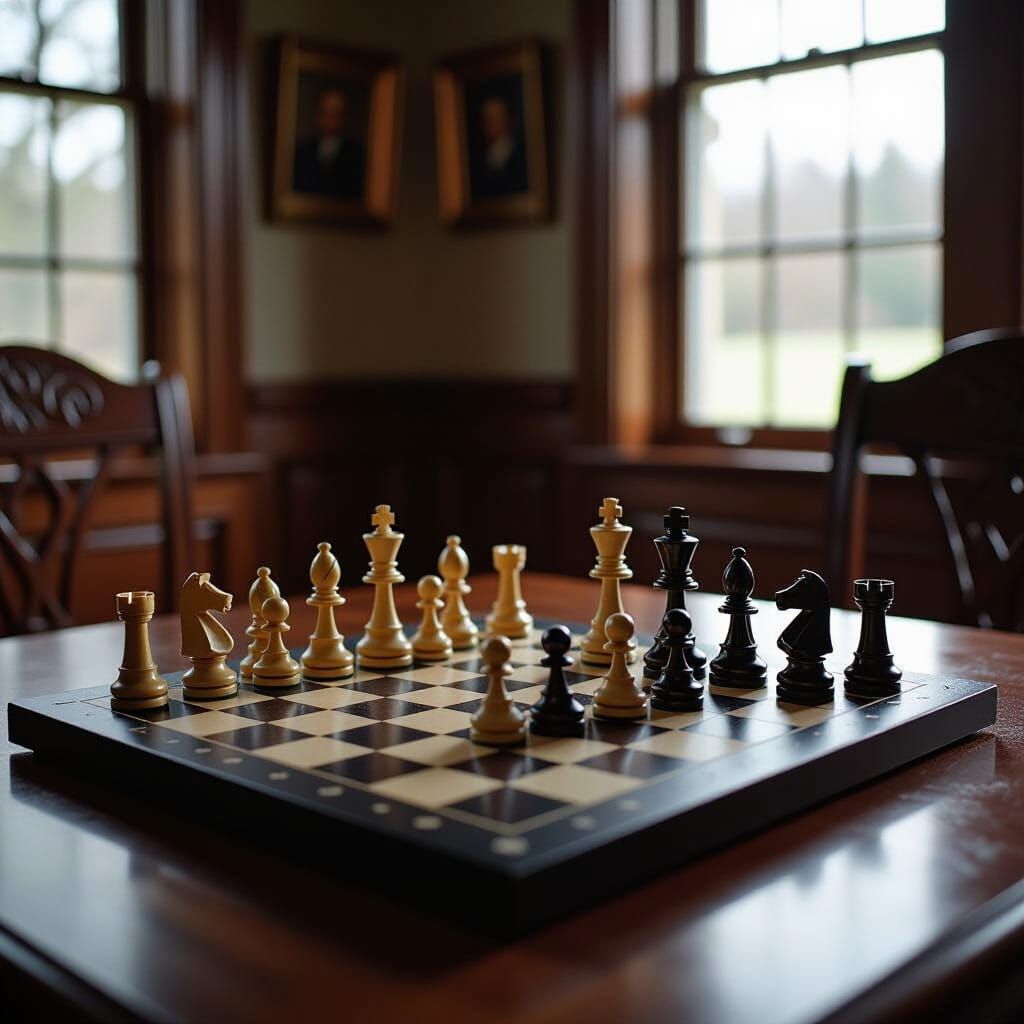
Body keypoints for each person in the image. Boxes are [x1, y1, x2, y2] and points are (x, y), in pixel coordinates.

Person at [292, 87, 365, 199]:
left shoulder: (357, 154)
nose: (330, 119)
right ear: (318, 115)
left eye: (335, 113)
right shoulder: (301, 150)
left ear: (344, 117)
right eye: (325, 112)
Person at [471, 95, 529, 198]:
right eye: (488, 120)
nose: (491, 126)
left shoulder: (522, 155)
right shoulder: (478, 158)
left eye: (497, 119)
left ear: (509, 120)